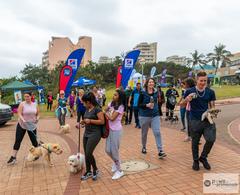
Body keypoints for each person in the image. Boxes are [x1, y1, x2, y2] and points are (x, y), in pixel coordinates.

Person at [182, 71, 216, 171]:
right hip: (194, 120)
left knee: (211, 139)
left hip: (207, 120)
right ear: (197, 80)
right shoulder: (189, 91)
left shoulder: (210, 92)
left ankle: (203, 157)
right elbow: (182, 105)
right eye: (201, 81)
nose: (203, 83)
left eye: (205, 81)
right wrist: (187, 99)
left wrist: (213, 112)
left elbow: (212, 105)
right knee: (195, 142)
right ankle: (196, 160)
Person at [7, 91, 39, 165]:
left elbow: (38, 114)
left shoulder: (35, 105)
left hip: (32, 125)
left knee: (34, 141)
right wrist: (23, 119)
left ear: (31, 96)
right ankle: (13, 157)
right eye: (25, 96)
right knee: (18, 140)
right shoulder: (22, 104)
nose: (26, 98)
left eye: (28, 96)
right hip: (22, 125)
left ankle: (37, 155)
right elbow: (19, 113)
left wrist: (37, 118)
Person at [138, 78, 166, 158]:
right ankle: (144, 147)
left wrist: (160, 115)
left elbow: (157, 104)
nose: (151, 83)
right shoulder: (142, 93)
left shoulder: (156, 92)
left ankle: (160, 150)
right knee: (144, 133)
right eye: (149, 82)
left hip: (155, 115)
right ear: (147, 84)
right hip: (144, 116)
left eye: (152, 82)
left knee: (157, 132)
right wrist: (146, 105)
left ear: (154, 83)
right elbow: (138, 104)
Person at [81, 92, 105, 181]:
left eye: (84, 102)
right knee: (86, 153)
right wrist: (83, 122)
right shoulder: (87, 109)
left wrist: (90, 121)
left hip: (95, 134)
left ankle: (95, 170)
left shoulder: (97, 109)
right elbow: (86, 120)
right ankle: (88, 171)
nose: (83, 104)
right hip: (87, 133)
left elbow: (102, 121)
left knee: (88, 153)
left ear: (88, 102)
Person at [105, 89, 125, 180]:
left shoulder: (121, 107)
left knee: (114, 150)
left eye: (116, 95)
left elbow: (112, 118)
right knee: (107, 150)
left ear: (120, 97)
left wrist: (106, 113)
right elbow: (106, 109)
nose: (114, 96)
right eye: (114, 94)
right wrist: (106, 109)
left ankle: (119, 171)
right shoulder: (111, 104)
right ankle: (116, 162)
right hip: (109, 129)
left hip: (116, 130)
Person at [182, 77, 196, 142]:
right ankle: (196, 137)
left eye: (185, 84)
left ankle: (189, 137)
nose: (184, 85)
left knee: (189, 123)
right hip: (197, 109)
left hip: (189, 109)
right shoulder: (196, 89)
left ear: (188, 84)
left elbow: (184, 100)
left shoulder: (188, 90)